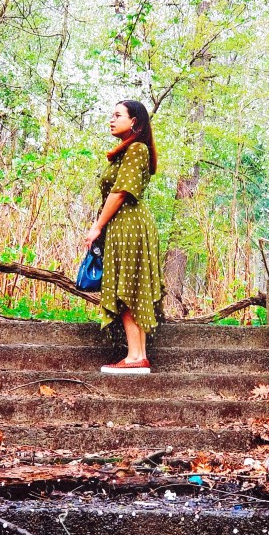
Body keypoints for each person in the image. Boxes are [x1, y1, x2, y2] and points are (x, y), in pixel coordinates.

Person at [84, 100, 163, 374]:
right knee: (130, 285)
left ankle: (134, 357)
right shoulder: (126, 152)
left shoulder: (137, 149)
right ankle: (138, 355)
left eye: (118, 115)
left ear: (134, 122)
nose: (111, 119)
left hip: (129, 225)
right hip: (124, 226)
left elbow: (119, 193)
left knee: (127, 286)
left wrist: (97, 226)